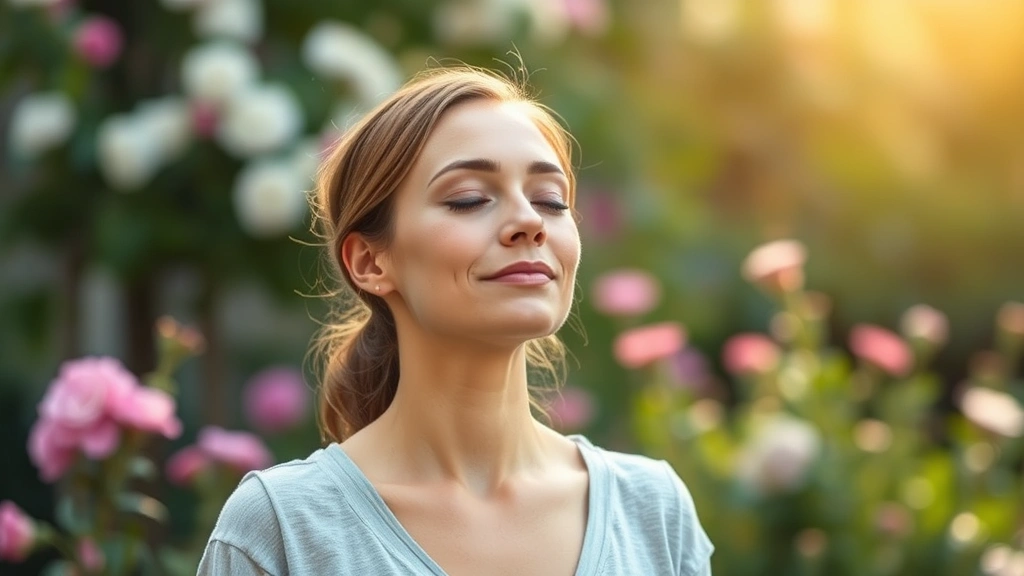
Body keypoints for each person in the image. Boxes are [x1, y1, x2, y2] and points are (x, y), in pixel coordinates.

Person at [197, 66, 714, 575]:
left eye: (550, 200)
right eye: (469, 199)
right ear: (370, 263)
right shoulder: (281, 529)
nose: (530, 222)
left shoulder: (654, 511)